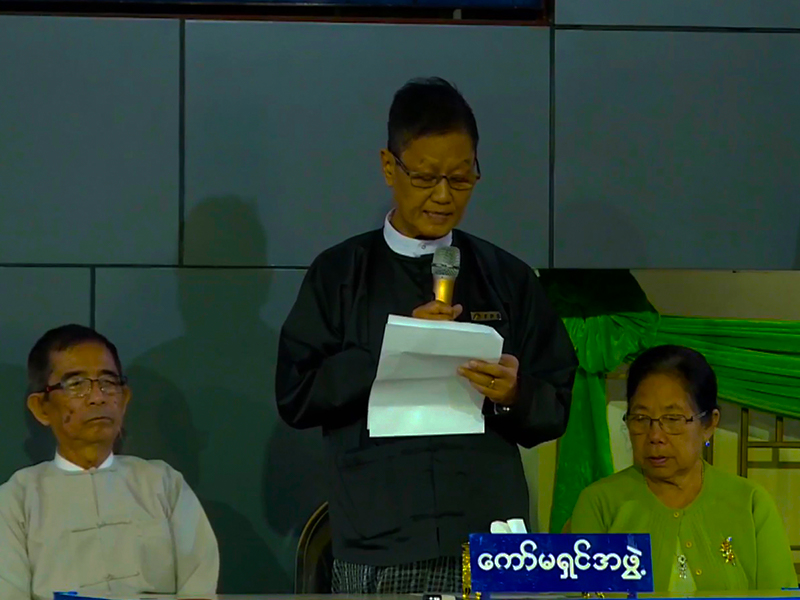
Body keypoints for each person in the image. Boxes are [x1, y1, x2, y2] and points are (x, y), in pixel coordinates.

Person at [276, 77, 578, 594]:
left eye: (461, 179)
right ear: (389, 167)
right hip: (382, 539)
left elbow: (556, 401)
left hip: (490, 536)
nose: (443, 196)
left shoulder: (506, 277)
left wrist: (514, 393)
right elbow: (296, 395)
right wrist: (387, 351)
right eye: (425, 177)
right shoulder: (340, 274)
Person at [0, 324, 219, 600]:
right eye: (76, 385)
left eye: (108, 383)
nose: (97, 397)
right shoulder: (16, 500)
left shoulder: (164, 484)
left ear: (124, 400)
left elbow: (199, 589)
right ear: (42, 408)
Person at [570, 344, 797, 591]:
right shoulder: (599, 504)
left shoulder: (751, 504)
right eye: (641, 418)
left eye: (672, 419)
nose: (655, 436)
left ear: (709, 424)